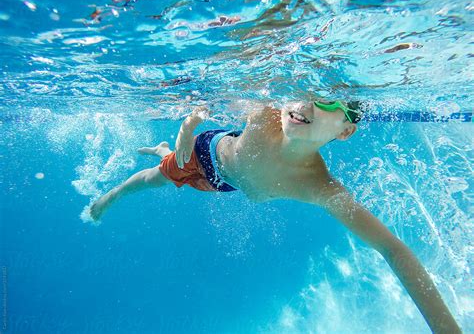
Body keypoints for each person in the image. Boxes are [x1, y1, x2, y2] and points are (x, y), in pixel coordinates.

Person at [88, 99, 461, 333]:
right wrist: (189, 126)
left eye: (327, 100)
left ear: (346, 129)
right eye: (304, 91)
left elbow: (392, 249)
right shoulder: (266, 113)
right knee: (157, 178)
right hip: (208, 151)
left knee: (173, 169)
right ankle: (114, 194)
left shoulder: (322, 187)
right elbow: (208, 100)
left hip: (224, 183)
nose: (306, 104)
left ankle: (164, 150)